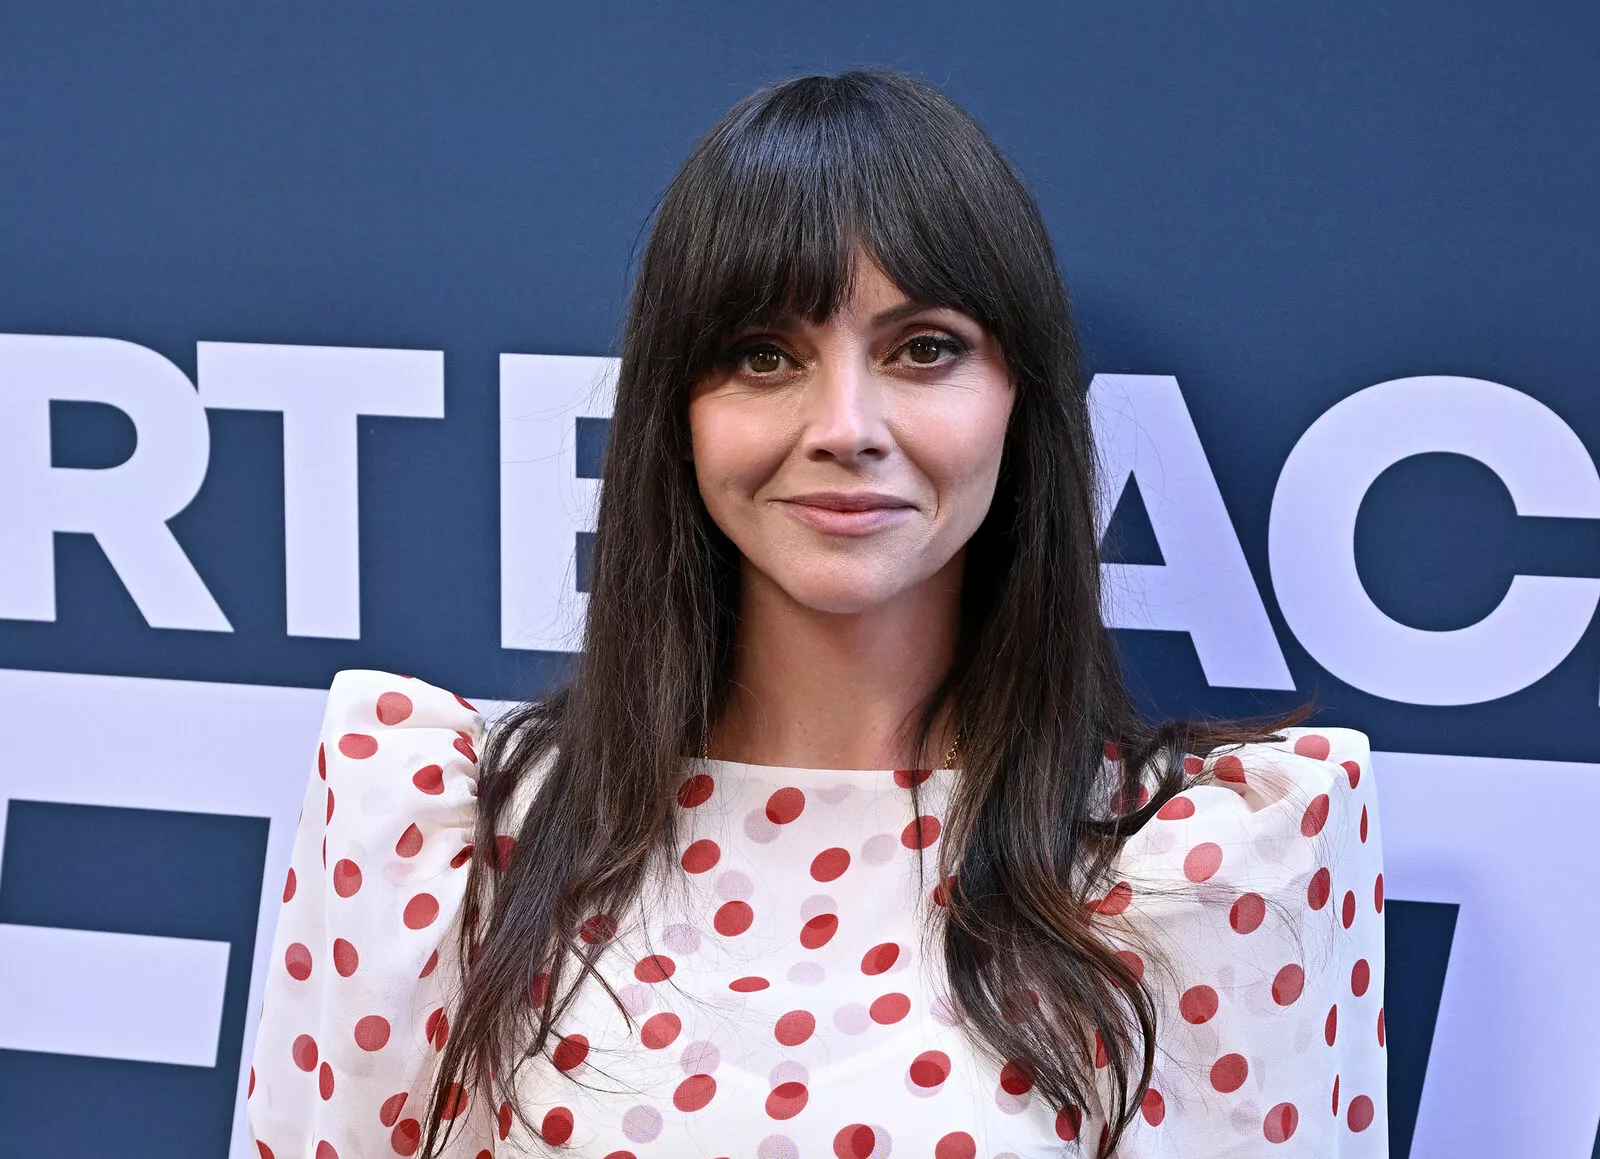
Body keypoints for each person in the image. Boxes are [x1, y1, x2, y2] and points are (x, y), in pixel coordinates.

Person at [246, 69, 1386, 1158]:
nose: (845, 425)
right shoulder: (448, 838)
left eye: (924, 349)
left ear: (1018, 398)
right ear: (676, 411)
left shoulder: (1201, 868)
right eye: (763, 356)